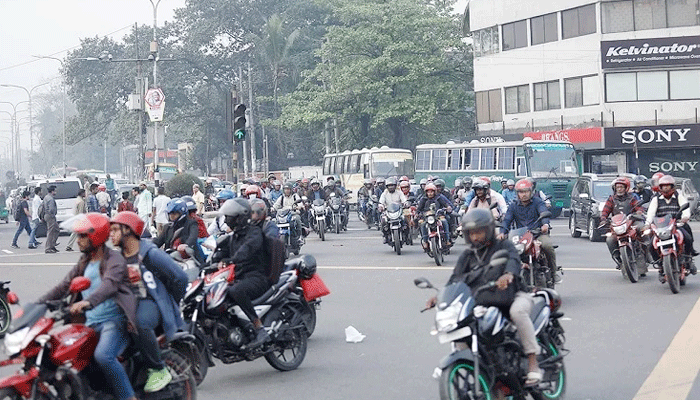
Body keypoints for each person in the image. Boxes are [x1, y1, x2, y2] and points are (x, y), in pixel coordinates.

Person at [426, 209, 542, 386]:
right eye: (471, 233)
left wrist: (508, 274)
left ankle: (532, 361)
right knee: (466, 324)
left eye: (478, 232)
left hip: (513, 296)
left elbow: (513, 260)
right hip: (485, 300)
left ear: (488, 230)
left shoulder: (504, 245)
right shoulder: (468, 255)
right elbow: (455, 278)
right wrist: (440, 296)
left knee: (517, 312)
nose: (475, 237)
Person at [38, 213, 138, 400]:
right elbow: (64, 286)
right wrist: (36, 305)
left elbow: (109, 285)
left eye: (83, 236)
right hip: (89, 323)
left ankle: (129, 397)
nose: (78, 241)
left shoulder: (114, 260)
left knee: (103, 356)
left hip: (113, 321)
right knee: (59, 353)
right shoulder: (84, 262)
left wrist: (88, 302)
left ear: (96, 236)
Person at [109, 211, 188, 393]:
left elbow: (180, 277)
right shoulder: (117, 256)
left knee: (140, 323)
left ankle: (158, 369)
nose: (111, 234)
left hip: (149, 302)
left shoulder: (149, 253)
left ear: (128, 231)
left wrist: (169, 301)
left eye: (115, 230)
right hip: (129, 304)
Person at [212, 198, 272, 348]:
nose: (226, 221)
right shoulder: (234, 236)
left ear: (239, 218)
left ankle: (259, 328)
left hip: (257, 277)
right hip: (239, 277)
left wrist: (233, 260)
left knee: (236, 291)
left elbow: (247, 249)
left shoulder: (254, 233)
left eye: (229, 217)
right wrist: (210, 264)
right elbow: (222, 253)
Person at [498, 178, 560, 283]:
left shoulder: (538, 202)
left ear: (531, 192)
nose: (524, 194)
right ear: (517, 193)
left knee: (548, 246)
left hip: (537, 234)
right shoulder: (513, 206)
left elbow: (543, 212)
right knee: (507, 252)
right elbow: (507, 220)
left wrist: (545, 224)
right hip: (521, 236)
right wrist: (502, 233)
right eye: (521, 192)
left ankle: (554, 273)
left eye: (526, 191)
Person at [645, 175, 698, 279]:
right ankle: (660, 266)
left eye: (668, 186)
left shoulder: (679, 196)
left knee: (687, 237)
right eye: (663, 186)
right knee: (651, 245)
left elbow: (685, 208)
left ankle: (688, 258)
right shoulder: (656, 199)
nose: (665, 188)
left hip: (676, 224)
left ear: (672, 187)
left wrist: (685, 217)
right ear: (660, 187)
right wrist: (647, 224)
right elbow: (651, 213)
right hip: (661, 226)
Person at [600, 177, 644, 270]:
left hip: (631, 222)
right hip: (617, 225)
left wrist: (639, 212)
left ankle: (645, 251)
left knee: (642, 228)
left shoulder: (632, 198)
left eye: (621, 187)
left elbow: (639, 208)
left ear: (626, 188)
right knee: (610, 239)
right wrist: (603, 219)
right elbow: (605, 211)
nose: (619, 189)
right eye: (617, 187)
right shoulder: (611, 199)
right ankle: (618, 259)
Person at [416, 183, 452, 252]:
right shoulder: (423, 199)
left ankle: (447, 240)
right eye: (428, 192)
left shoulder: (439, 198)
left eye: (431, 191)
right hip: (427, 218)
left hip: (438, 216)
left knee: (444, 221)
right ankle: (425, 241)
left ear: (434, 192)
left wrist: (448, 208)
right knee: (422, 224)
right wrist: (417, 214)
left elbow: (445, 204)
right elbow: (419, 209)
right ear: (426, 192)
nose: (430, 193)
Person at [378, 178, 408, 243]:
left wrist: (405, 204)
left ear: (395, 186)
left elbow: (404, 200)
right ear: (387, 187)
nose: (391, 187)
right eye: (389, 186)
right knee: (383, 220)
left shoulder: (399, 192)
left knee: (405, 219)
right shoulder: (384, 194)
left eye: (392, 185)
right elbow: (381, 202)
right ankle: (385, 236)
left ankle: (406, 235)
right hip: (388, 211)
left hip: (398, 211)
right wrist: (381, 206)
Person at [44, 185, 59, 253]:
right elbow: (51, 209)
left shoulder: (46, 197)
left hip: (47, 215)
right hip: (50, 216)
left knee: (56, 230)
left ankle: (52, 245)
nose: (56, 192)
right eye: (55, 191)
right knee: (50, 232)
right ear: (52, 191)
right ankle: (48, 248)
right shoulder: (50, 199)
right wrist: (53, 214)